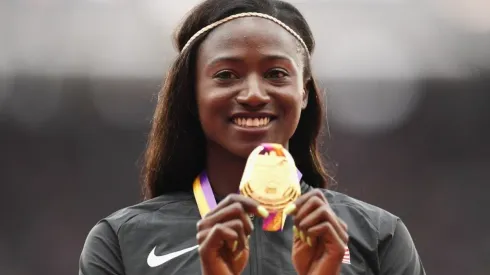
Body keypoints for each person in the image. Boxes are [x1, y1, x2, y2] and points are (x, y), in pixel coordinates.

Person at [79, 0, 426, 274]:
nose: (254, 94)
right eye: (227, 75)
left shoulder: (378, 237)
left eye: (276, 73)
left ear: (304, 93)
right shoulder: (122, 241)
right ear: (191, 94)